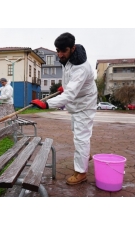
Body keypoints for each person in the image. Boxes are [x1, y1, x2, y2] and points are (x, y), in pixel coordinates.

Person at [30, 32, 97, 185]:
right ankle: (85, 155)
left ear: (72, 48)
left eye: (63, 51)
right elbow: (70, 81)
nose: (60, 54)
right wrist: (64, 87)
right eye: (57, 50)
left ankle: (81, 172)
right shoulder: (68, 58)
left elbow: (71, 94)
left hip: (85, 104)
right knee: (77, 132)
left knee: (81, 137)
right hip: (77, 103)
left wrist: (46, 104)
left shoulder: (81, 68)